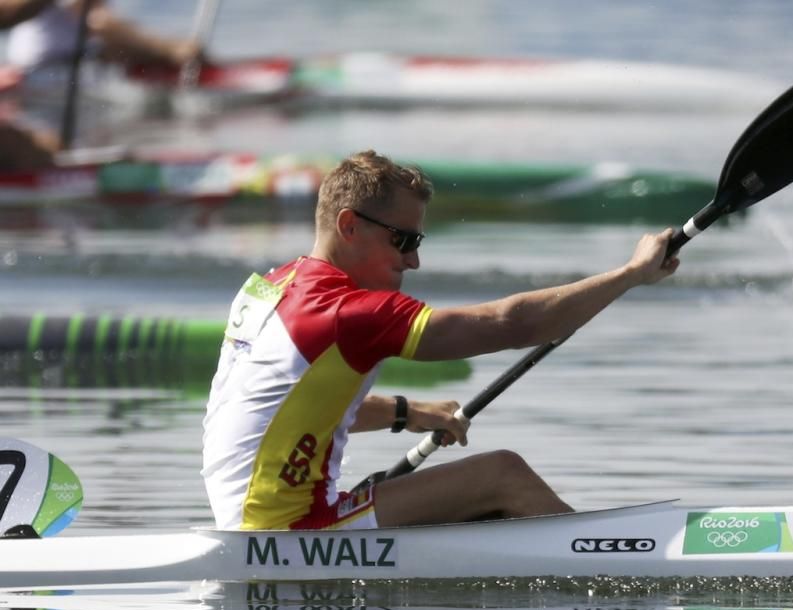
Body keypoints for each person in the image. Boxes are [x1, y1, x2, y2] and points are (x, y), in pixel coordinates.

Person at [201, 150, 681, 531]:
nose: (413, 263)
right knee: (502, 475)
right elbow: (511, 323)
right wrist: (629, 274)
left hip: (247, 517)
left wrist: (407, 412)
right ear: (349, 226)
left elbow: (282, 401)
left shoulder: (270, 288)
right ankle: (612, 558)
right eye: (404, 242)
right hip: (291, 529)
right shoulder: (350, 313)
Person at [0, 0, 202, 171]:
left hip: (66, 73)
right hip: (52, 77)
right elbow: (101, 23)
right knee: (27, 151)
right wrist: (169, 50)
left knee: (46, 148)